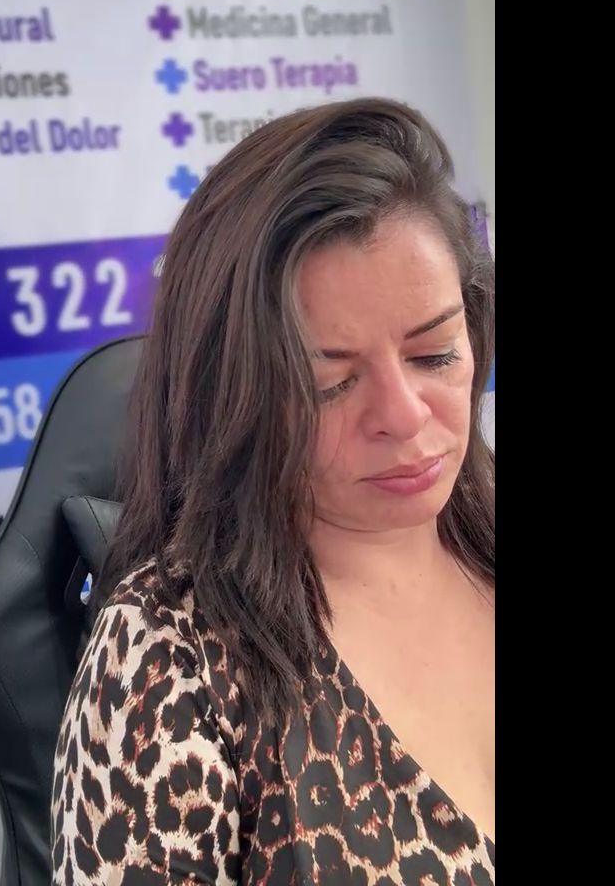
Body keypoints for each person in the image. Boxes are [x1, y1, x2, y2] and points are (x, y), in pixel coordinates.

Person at [50, 97, 495, 885]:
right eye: (330, 384)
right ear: (235, 395)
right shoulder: (167, 659)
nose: (402, 415)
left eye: (434, 354)